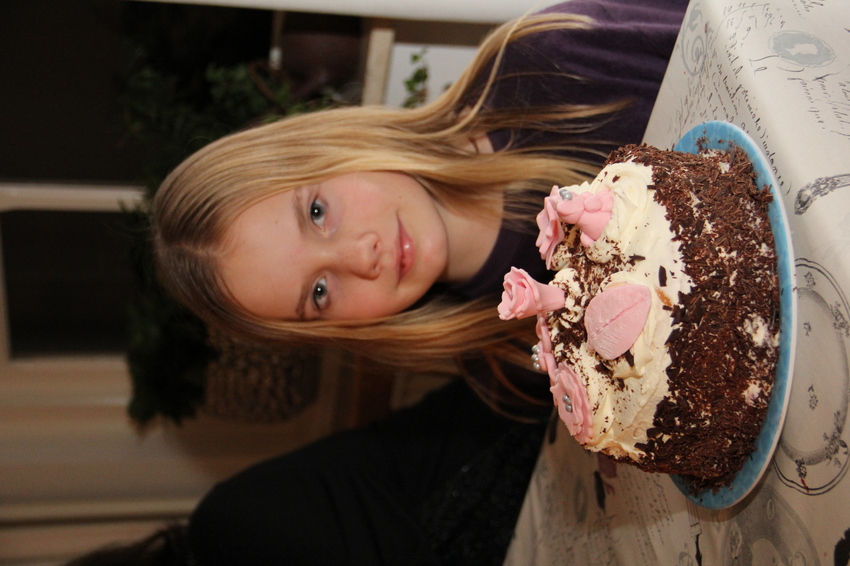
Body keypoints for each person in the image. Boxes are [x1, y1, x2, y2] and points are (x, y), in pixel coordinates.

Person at [69, 1, 688, 564]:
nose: (359, 256)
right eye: (319, 293)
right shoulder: (505, 364)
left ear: (325, 145)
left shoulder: (548, 68)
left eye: (317, 212)